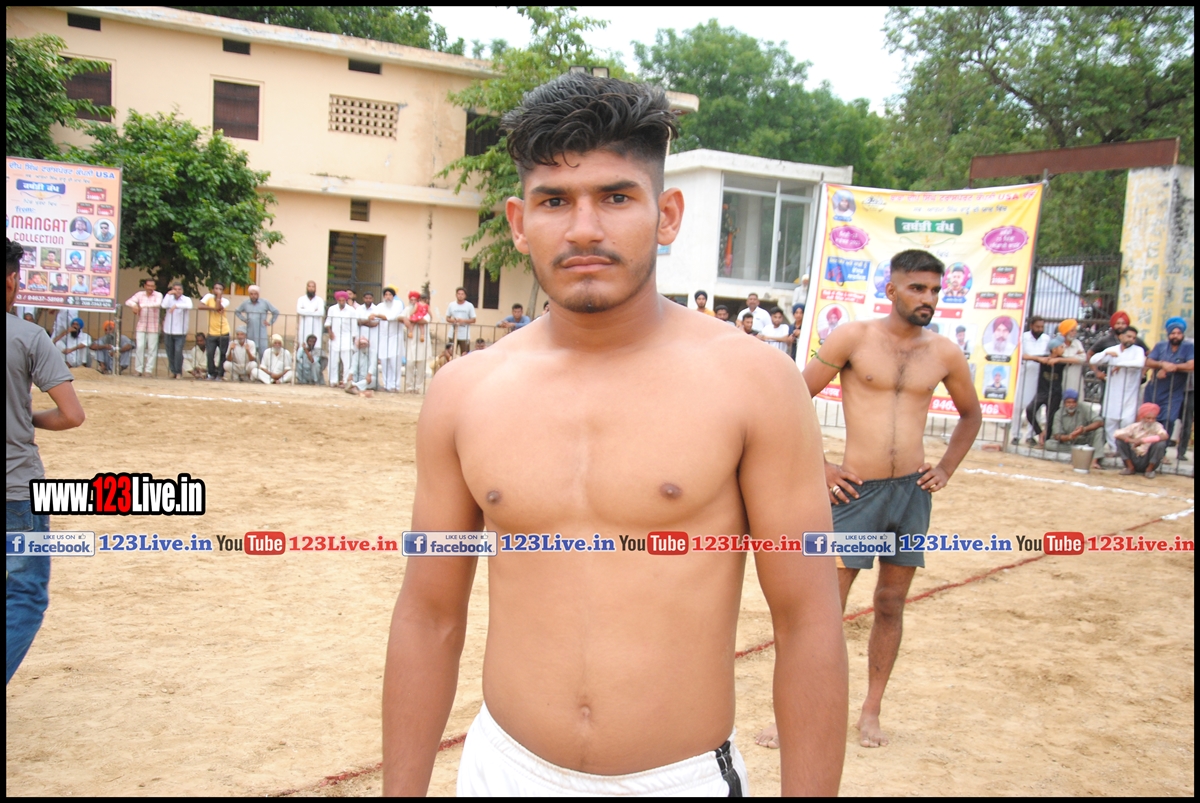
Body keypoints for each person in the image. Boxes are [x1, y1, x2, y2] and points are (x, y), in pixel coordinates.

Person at [383, 73, 846, 797]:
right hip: (504, 771)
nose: (584, 229)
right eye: (554, 201)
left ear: (667, 214)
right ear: (518, 221)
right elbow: (429, 615)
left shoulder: (755, 383)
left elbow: (809, 620)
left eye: (616, 197)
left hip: (678, 781)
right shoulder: (463, 392)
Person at [766, 248, 981, 752]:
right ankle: (792, 714)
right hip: (857, 493)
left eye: (934, 290)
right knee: (825, 609)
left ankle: (870, 710)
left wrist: (945, 468)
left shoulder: (945, 353)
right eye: (918, 288)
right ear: (891, 290)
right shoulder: (853, 337)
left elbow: (971, 415)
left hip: (911, 494)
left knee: (890, 603)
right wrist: (820, 466)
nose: (928, 298)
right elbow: (792, 398)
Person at [7, 237, 86, 684]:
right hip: (15, 487)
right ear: (12, 282)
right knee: (25, 595)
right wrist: (27, 418)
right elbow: (71, 415)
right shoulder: (27, 336)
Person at [1090, 326, 1147, 454]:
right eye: (1128, 336)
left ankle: (1124, 451)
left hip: (1130, 393)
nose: (1131, 340)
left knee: (1127, 421)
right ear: (1121, 337)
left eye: (1133, 338)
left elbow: (1139, 363)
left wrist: (1120, 364)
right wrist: (1105, 354)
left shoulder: (1138, 350)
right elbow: (1093, 360)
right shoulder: (1113, 350)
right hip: (1113, 392)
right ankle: (1114, 449)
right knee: (1110, 421)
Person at [1143, 317, 1194, 442]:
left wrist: (1172, 367)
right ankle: (1148, 446)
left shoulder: (1188, 347)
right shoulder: (1160, 346)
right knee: (1150, 417)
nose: (1175, 336)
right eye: (1173, 333)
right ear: (1168, 334)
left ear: (1183, 334)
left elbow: (1191, 365)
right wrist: (1162, 364)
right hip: (1156, 388)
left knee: (1169, 419)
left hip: (1174, 391)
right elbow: (1149, 361)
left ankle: (1162, 447)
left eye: (1179, 333)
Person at [1025, 335, 1067, 445]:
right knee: (1030, 410)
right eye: (1061, 347)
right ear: (1054, 349)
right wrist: (1038, 359)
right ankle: (1039, 432)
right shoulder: (1044, 358)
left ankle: (1045, 441)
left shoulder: (1062, 360)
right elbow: (1025, 356)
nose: (1063, 349)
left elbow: (1077, 360)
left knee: (1051, 418)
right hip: (1042, 391)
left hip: (1055, 393)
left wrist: (1058, 359)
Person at [1046, 389, 1104, 468]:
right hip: (1068, 443)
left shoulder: (1084, 408)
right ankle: (1082, 452)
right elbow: (1057, 435)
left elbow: (1099, 422)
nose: (1071, 405)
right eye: (1068, 402)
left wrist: (1084, 429)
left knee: (1099, 430)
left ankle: (1094, 461)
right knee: (1049, 444)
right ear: (1064, 403)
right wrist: (1070, 437)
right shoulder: (1058, 414)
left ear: (1077, 402)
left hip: (1084, 439)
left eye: (1073, 402)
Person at [1114, 403, 1169, 478]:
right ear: (1142, 417)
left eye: (1153, 418)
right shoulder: (1135, 426)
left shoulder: (1158, 426)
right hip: (1134, 457)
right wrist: (1132, 440)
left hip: (1148, 459)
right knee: (1120, 441)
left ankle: (1149, 470)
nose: (1150, 421)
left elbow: (1165, 436)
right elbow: (1117, 434)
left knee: (1160, 444)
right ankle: (1130, 468)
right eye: (1148, 418)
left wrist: (1143, 441)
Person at [124, 279, 163, 376]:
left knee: (152, 349)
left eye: (152, 286)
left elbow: (157, 304)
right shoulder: (140, 294)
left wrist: (141, 305)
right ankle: (138, 369)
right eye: (148, 286)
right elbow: (128, 301)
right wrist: (134, 305)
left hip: (153, 326)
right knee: (140, 347)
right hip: (141, 325)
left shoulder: (158, 295)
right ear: (145, 286)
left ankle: (148, 370)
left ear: (155, 287)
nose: (150, 288)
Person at [373, 287, 407, 392]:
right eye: (386, 295)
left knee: (395, 362)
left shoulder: (398, 304)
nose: (388, 297)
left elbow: (392, 317)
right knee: (384, 362)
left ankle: (396, 386)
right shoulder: (380, 306)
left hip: (395, 337)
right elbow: (373, 317)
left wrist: (379, 316)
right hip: (383, 337)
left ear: (393, 296)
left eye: (390, 295)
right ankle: (387, 385)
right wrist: (379, 316)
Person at [324, 290, 358, 387]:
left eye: (343, 300)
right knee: (333, 361)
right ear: (337, 300)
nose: (342, 302)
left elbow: (354, 327)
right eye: (340, 300)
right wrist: (330, 332)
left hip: (347, 338)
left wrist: (352, 340)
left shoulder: (351, 310)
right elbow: (328, 322)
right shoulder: (332, 309)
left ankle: (346, 381)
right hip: (334, 338)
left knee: (347, 363)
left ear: (346, 300)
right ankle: (333, 381)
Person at [198, 283, 231, 379]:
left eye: (220, 289)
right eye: (216, 288)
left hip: (223, 331)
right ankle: (211, 373)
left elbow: (218, 307)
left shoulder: (226, 301)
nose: (217, 290)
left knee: (222, 354)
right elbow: (200, 306)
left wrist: (219, 298)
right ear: (212, 289)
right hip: (211, 332)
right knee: (210, 353)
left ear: (223, 291)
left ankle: (220, 374)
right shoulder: (208, 297)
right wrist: (212, 308)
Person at [160, 282, 193, 379]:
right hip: (168, 329)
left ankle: (178, 371)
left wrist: (176, 306)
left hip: (180, 331)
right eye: (175, 289)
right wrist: (168, 294)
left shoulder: (186, 299)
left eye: (179, 289)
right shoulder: (169, 298)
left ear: (182, 291)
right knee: (170, 352)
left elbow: (189, 306)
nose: (177, 291)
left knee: (178, 351)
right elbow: (163, 305)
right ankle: (173, 371)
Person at [235, 285, 280, 356]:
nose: (253, 296)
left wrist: (270, 322)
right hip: (250, 332)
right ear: (249, 295)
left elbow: (276, 312)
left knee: (263, 353)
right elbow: (237, 311)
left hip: (261, 333)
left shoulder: (265, 302)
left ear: (258, 294)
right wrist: (244, 319)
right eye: (251, 294)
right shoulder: (245, 303)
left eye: (255, 294)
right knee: (251, 353)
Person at [446, 287, 477, 354]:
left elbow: (473, 320)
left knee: (465, 353)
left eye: (462, 294)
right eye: (459, 294)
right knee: (450, 353)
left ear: (465, 295)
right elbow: (447, 318)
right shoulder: (451, 305)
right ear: (456, 295)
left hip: (464, 334)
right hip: (453, 333)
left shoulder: (469, 305)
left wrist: (463, 321)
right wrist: (454, 321)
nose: (460, 295)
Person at [297, 280, 326, 344]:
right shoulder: (301, 299)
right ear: (306, 287)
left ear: (315, 288)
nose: (311, 288)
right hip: (304, 327)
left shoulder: (319, 300)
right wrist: (313, 310)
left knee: (316, 345)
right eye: (309, 286)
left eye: (313, 287)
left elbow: (321, 312)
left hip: (316, 327)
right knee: (303, 344)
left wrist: (305, 310)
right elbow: (299, 311)